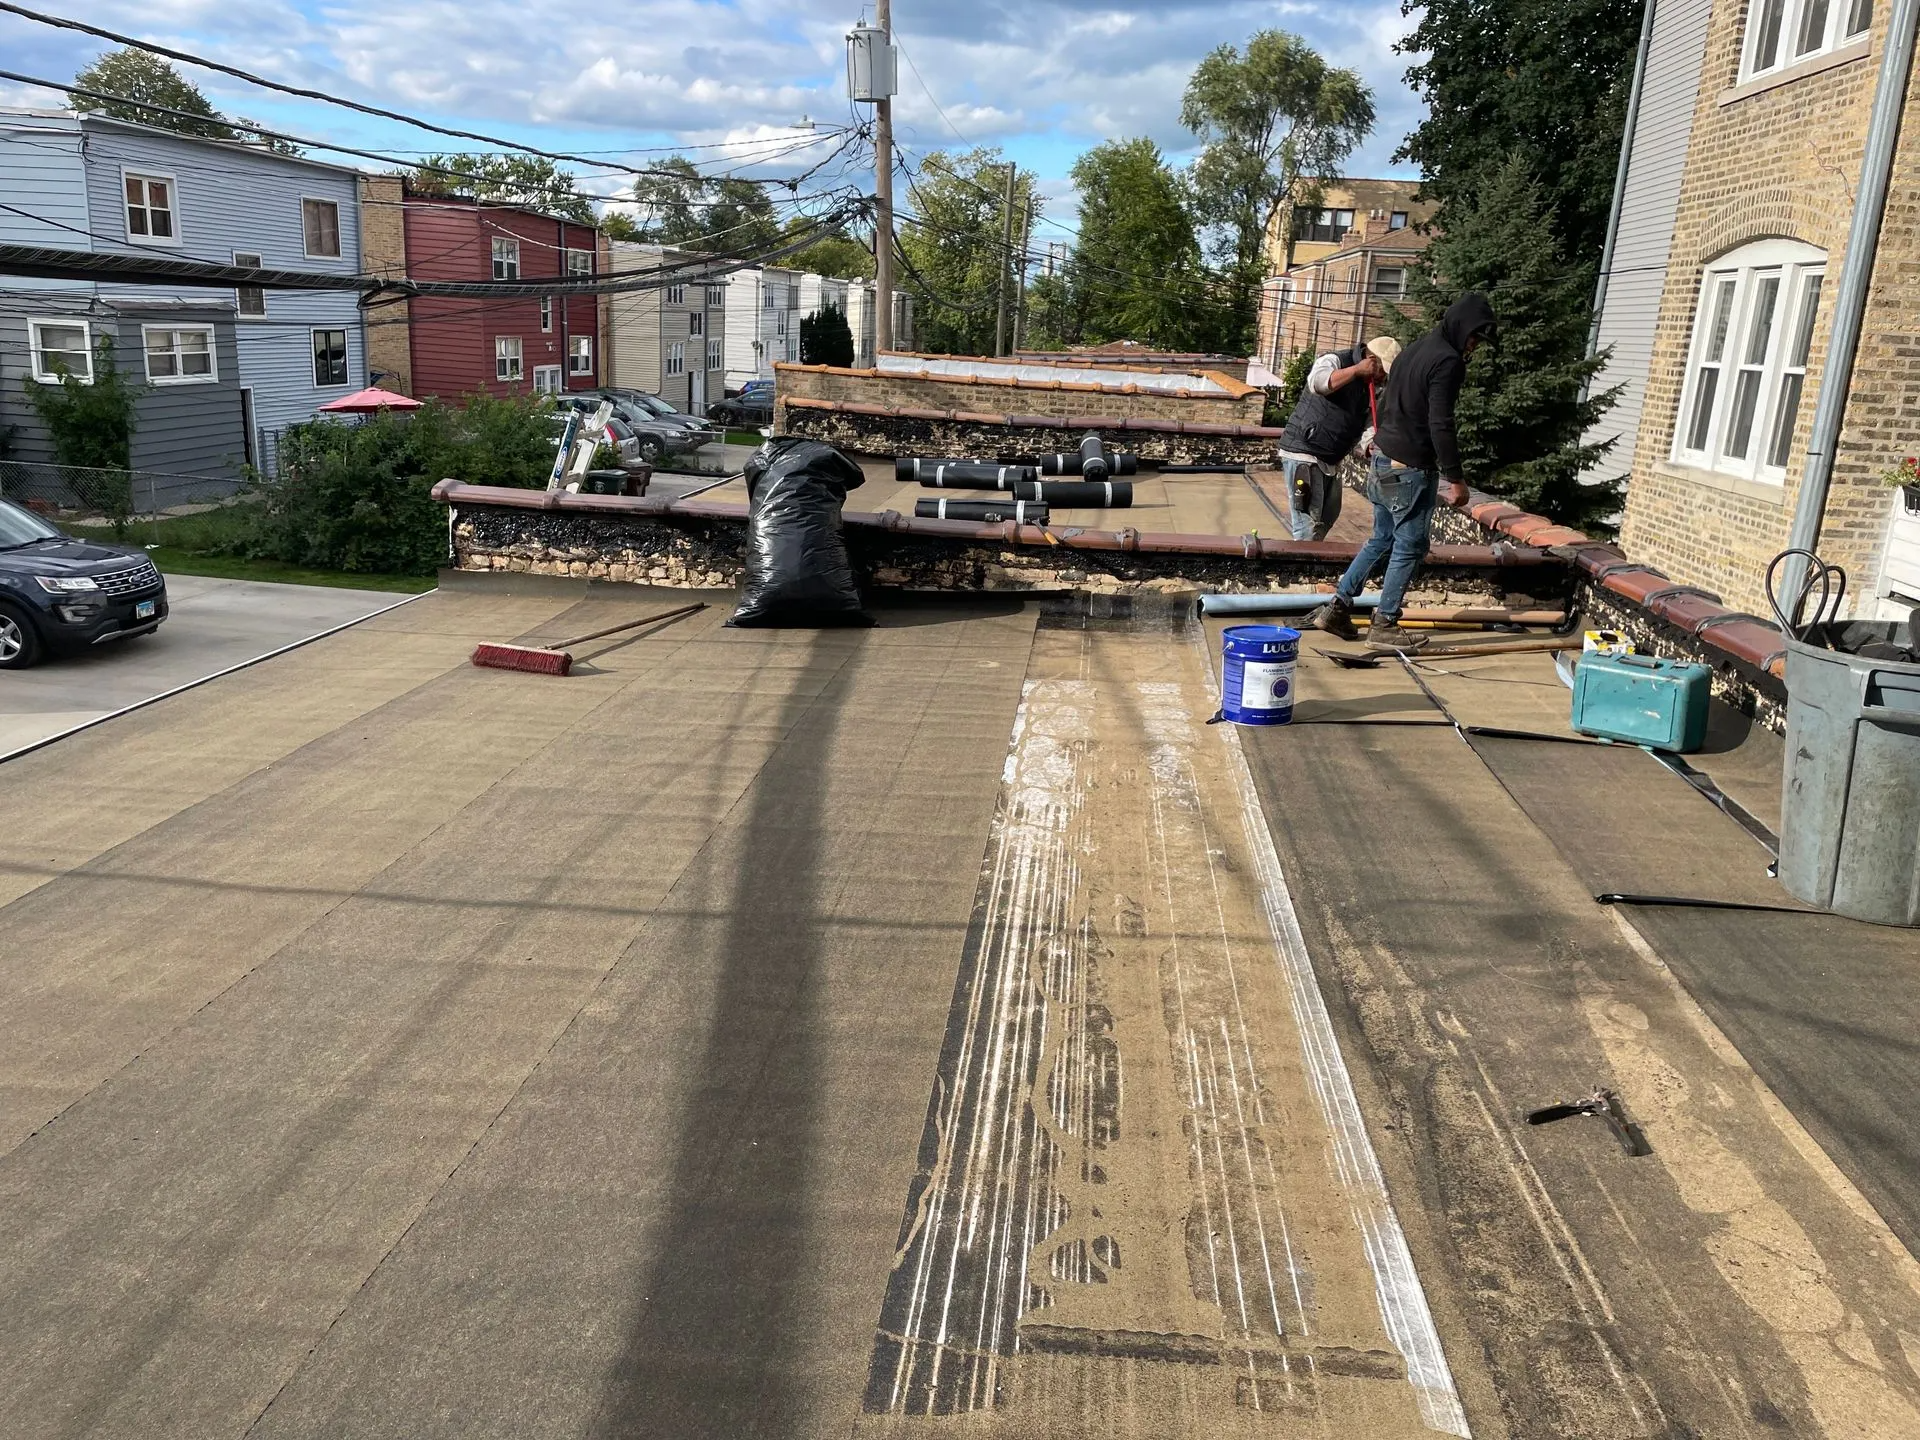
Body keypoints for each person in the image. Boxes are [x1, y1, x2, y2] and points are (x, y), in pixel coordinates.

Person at [1309, 292, 1497, 652]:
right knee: (1410, 545)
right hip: (1410, 468)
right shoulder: (1447, 361)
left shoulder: (1416, 349)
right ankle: (1385, 624)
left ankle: (1338, 608)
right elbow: (1440, 421)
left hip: (1383, 459)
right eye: (1474, 337)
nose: (1474, 345)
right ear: (1462, 329)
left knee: (1381, 539)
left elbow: (1389, 400)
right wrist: (1456, 478)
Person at [1274, 335, 1401, 541]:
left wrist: (1370, 444)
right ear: (1370, 359)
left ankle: (1312, 557)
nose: (1383, 378)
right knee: (1308, 523)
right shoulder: (1335, 360)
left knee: (1328, 515)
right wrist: (1356, 370)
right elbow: (1319, 383)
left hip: (1330, 457)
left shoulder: (1373, 385)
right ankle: (1303, 566)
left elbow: (1369, 419)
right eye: (1382, 371)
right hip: (1305, 452)